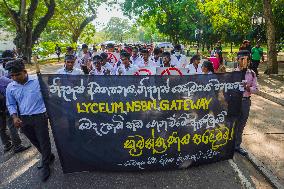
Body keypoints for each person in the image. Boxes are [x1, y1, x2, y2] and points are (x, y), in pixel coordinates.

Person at [5, 59, 54, 181]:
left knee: (44, 141)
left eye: (18, 74)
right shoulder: (10, 87)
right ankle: (48, 156)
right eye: (12, 75)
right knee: (35, 141)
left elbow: (49, 95)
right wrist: (15, 117)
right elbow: (10, 104)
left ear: (25, 71)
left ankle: (46, 165)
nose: (15, 78)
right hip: (24, 119)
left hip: (40, 116)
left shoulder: (38, 80)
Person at [234, 50, 258, 156]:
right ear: (238, 60)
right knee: (233, 123)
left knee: (241, 124)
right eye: (241, 59)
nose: (244, 61)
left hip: (245, 102)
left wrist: (248, 87)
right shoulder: (233, 73)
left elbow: (256, 89)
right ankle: (229, 144)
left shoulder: (251, 73)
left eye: (246, 59)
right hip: (235, 102)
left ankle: (237, 146)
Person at [0, 75, 31, 154]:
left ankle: (6, 144)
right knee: (12, 125)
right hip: (6, 105)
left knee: (1, 127)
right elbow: (14, 83)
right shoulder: (2, 79)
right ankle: (17, 146)